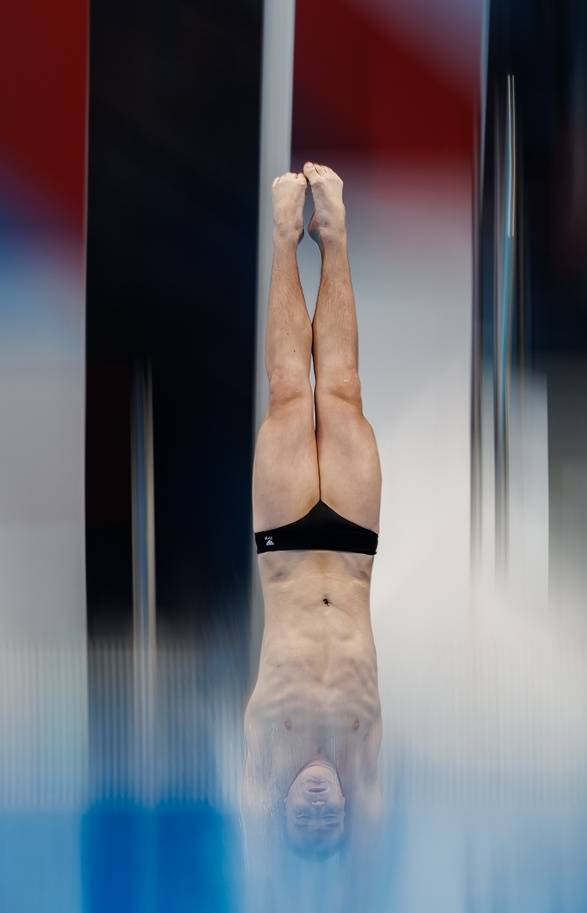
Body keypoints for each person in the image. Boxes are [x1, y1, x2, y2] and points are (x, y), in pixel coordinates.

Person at [243, 163, 382, 862]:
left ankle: (281, 233)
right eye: (332, 824)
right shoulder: (364, 769)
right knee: (347, 392)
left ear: (281, 809)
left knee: (290, 394)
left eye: (305, 822)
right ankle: (333, 231)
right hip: (353, 552)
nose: (319, 809)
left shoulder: (267, 756)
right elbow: (377, 854)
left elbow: (246, 843)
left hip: (287, 551)